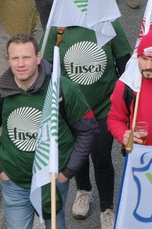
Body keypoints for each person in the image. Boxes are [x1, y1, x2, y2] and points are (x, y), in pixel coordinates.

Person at [0, 34, 98, 229]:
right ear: (8, 59)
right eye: (15, 58)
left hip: (53, 181)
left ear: (38, 57)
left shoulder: (64, 89)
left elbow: (88, 130)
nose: (20, 64)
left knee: (55, 225)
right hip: (14, 181)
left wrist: (67, 172)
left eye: (26, 57)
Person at [42, 22, 131, 228]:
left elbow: (125, 65)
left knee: (101, 157)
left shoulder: (109, 23)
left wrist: (126, 104)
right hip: (72, 109)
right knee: (78, 153)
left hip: (105, 106)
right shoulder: (58, 27)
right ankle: (83, 190)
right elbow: (46, 68)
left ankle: (107, 208)